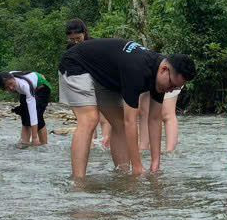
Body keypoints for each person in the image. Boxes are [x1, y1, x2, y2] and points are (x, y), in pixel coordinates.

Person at [58, 37, 196, 179]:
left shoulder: (161, 77)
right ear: (164, 70)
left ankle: (122, 176)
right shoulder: (137, 69)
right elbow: (130, 121)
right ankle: (78, 184)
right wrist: (137, 166)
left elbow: (154, 119)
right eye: (172, 85)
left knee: (118, 125)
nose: (170, 90)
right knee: (90, 119)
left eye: (176, 88)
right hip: (76, 63)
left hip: (105, 76)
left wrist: (155, 164)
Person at [64, 18, 109, 151]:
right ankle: (91, 144)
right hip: (81, 85)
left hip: (99, 82)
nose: (76, 42)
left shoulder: (93, 45)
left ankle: (106, 142)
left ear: (85, 33)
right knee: (88, 118)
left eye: (78, 38)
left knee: (104, 116)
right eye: (72, 39)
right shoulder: (69, 49)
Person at [0, 70, 52, 146]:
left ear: (13, 78)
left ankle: (43, 145)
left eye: (11, 84)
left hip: (42, 88)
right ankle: (24, 142)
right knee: (25, 114)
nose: (11, 88)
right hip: (26, 90)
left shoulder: (25, 85)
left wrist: (34, 138)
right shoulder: (8, 76)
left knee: (37, 115)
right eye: (7, 88)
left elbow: (33, 114)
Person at [141, 89, 181, 155]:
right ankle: (143, 150)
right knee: (144, 111)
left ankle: (170, 153)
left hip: (168, 79)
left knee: (167, 113)